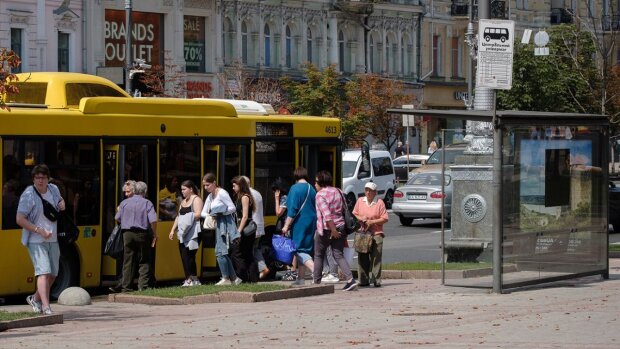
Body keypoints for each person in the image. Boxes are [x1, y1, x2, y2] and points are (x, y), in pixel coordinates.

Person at [17, 164, 65, 315]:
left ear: (48, 179)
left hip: (53, 239)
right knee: (43, 272)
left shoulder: (53, 189)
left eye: (43, 177)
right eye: (37, 178)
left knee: (53, 274)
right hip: (36, 240)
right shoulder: (28, 194)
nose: (40, 180)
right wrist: (39, 230)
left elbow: (59, 200)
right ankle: (46, 306)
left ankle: (34, 298)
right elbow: (20, 219)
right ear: (33, 179)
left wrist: (61, 202)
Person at [312, 170, 357, 291]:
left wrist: (333, 230)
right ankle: (350, 280)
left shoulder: (320, 195)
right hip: (341, 226)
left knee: (319, 254)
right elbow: (345, 208)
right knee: (338, 254)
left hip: (327, 229)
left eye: (316, 182)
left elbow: (327, 215)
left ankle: (316, 282)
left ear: (321, 182)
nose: (314, 185)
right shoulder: (338, 191)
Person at [113, 180, 158, 292]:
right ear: (145, 191)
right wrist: (154, 234)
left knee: (128, 260)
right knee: (144, 260)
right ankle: (143, 287)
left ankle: (126, 287)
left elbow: (117, 218)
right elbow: (153, 220)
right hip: (142, 234)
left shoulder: (124, 203)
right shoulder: (147, 203)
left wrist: (126, 220)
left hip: (127, 234)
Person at [201, 173, 242, 286]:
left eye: (207, 185)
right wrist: (212, 215)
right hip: (218, 224)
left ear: (214, 183)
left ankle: (226, 278)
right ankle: (233, 278)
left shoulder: (222, 193)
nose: (205, 188)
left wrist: (222, 213)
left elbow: (232, 208)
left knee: (220, 252)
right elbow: (203, 212)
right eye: (204, 185)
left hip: (225, 225)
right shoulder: (210, 196)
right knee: (221, 252)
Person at [281, 167, 316, 286]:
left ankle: (316, 272)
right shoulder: (312, 188)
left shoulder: (294, 188)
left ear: (295, 176)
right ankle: (301, 279)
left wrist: (286, 225)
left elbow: (292, 209)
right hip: (311, 222)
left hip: (299, 223)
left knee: (299, 250)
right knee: (305, 248)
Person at [352, 182, 389, 287]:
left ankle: (376, 279)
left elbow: (385, 218)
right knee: (362, 257)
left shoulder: (379, 202)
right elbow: (355, 213)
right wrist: (362, 218)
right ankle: (363, 280)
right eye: (366, 190)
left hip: (376, 233)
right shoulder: (360, 201)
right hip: (363, 233)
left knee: (376, 257)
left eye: (370, 190)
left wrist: (372, 222)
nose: (368, 192)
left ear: (375, 192)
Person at [168, 180, 203, 287]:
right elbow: (178, 216)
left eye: (184, 189)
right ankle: (188, 278)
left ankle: (193, 279)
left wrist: (186, 218)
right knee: (183, 255)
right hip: (183, 232)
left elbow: (198, 214)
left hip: (194, 232)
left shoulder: (196, 199)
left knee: (190, 255)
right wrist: (172, 230)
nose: (182, 191)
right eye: (182, 189)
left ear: (191, 189)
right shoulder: (183, 202)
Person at [242, 176, 270, 280]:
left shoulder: (246, 195)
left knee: (248, 251)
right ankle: (263, 268)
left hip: (251, 227)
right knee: (255, 249)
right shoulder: (257, 193)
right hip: (259, 226)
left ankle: (252, 274)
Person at [231, 176, 257, 282]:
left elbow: (245, 216)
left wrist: (238, 231)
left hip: (246, 229)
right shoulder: (240, 196)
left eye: (234, 185)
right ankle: (251, 279)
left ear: (240, 185)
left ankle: (243, 277)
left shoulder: (244, 197)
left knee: (236, 253)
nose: (233, 188)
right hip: (244, 228)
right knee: (247, 253)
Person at [272, 177, 297, 281]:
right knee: (291, 247)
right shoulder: (289, 197)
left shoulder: (284, 198)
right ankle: (291, 270)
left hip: (287, 225)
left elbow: (278, 212)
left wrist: (276, 199)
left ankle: (292, 271)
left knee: (290, 247)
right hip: (291, 224)